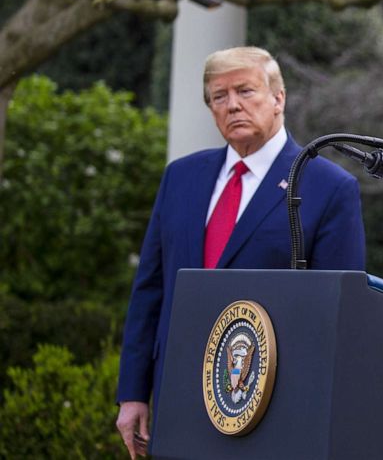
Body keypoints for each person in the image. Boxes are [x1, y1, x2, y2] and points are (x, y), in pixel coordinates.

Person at [115, 46, 365, 458]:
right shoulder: (181, 177)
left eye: (246, 91)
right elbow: (150, 290)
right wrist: (133, 393)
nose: (232, 105)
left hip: (270, 406)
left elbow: (341, 316)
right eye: (219, 96)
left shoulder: (327, 187)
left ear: (278, 98)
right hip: (178, 392)